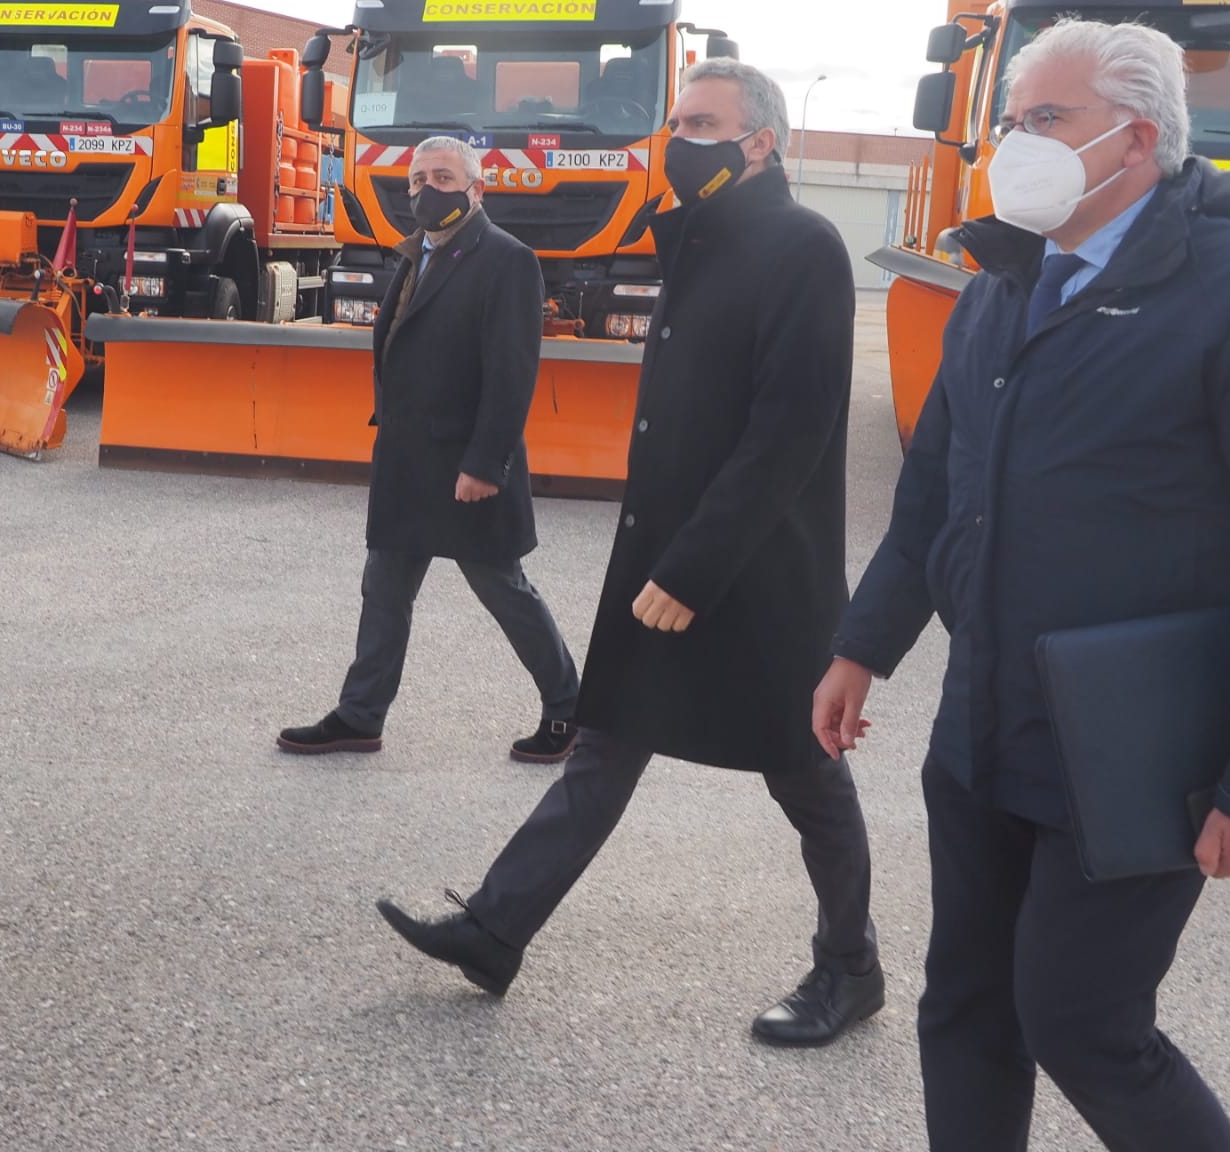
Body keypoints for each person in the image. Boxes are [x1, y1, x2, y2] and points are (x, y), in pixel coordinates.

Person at [815, 18, 1230, 1150]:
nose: (1013, 147)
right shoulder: (1004, 279)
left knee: (1082, 1021)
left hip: (1136, 739)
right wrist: (863, 644)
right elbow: (936, 490)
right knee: (963, 1006)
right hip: (986, 723)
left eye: (1042, 121)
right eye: (1008, 123)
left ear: (1134, 138)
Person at [375, 60, 883, 1046]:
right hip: (664, 562)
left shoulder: (801, 247)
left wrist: (694, 570)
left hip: (751, 569)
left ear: (758, 143)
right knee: (604, 744)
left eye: (702, 120)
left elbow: (789, 432)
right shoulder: (698, 241)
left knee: (804, 771)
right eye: (675, 118)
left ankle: (849, 969)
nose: (677, 136)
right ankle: (494, 930)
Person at [278, 135, 580, 763]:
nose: (425, 190)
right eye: (417, 180)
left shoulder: (506, 259)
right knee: (384, 589)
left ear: (476, 189)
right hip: (408, 463)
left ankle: (570, 711)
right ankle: (360, 716)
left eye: (442, 178)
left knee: (504, 590)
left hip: (464, 466)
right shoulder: (419, 254)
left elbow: (511, 373)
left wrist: (484, 463)